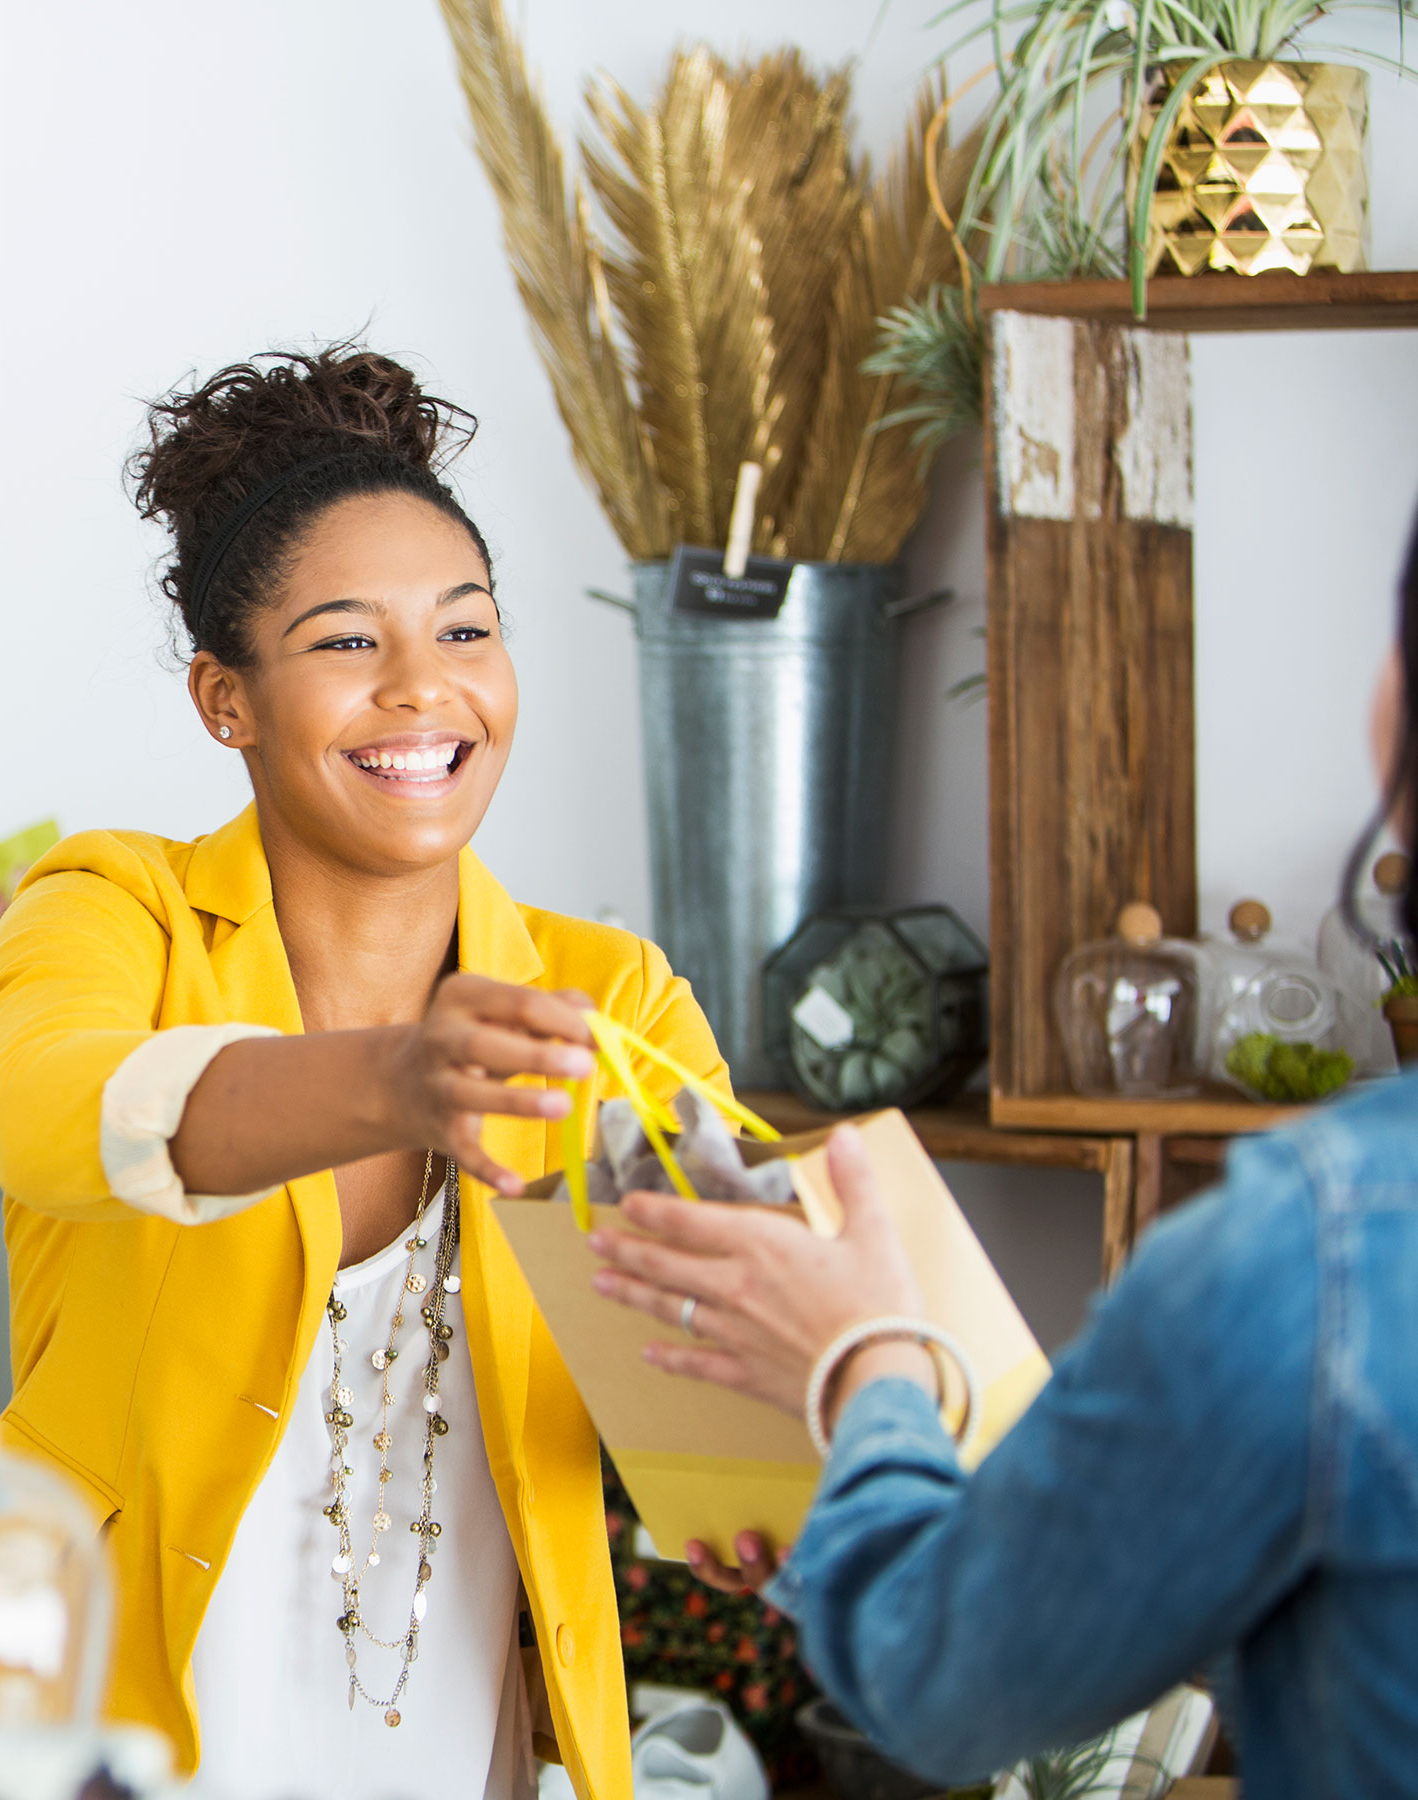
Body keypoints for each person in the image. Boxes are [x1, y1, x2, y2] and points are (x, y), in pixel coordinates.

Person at [0, 347, 724, 1800]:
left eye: (465, 630)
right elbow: (46, 1113)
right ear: (225, 698)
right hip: (111, 1749)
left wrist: (809, 1393)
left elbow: (711, 1403)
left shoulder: (610, 998)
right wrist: (395, 1083)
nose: (424, 692)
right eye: (344, 643)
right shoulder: (113, 906)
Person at [585, 518, 1418, 1795]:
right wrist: (841, 1513)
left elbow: (950, 1683)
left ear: (1392, 713)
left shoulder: (1308, 1257)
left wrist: (865, 1360)